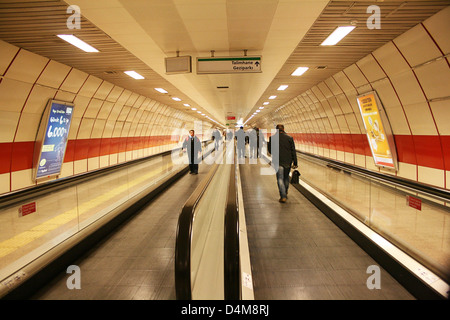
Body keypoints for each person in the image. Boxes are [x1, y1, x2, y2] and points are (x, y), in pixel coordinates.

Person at [268, 124, 297, 203]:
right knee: (286, 177)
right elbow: (293, 151)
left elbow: (270, 151)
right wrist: (295, 162)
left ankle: (283, 196)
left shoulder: (272, 138)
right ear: (283, 129)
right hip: (288, 161)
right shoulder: (289, 138)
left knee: (280, 178)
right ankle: (285, 191)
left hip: (278, 161)